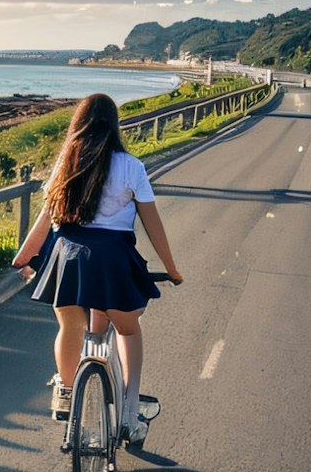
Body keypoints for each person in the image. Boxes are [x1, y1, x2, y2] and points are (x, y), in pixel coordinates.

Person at [11, 92, 183, 445]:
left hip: (67, 256)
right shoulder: (131, 167)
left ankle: (67, 394)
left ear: (79, 124)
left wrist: (24, 255)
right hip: (112, 259)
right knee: (128, 329)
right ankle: (129, 410)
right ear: (114, 126)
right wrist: (171, 268)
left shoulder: (66, 163)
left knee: (69, 325)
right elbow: (153, 225)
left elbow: (47, 217)